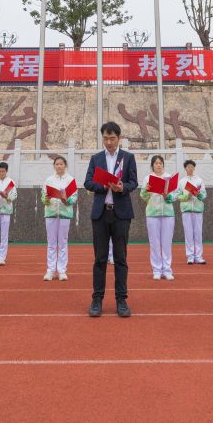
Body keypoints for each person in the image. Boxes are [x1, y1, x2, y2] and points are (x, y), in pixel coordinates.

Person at [83, 121, 138, 318]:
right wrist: (104, 185)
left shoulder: (128, 158)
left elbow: (133, 182)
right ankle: (97, 299)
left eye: (112, 138)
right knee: (100, 258)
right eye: (105, 138)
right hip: (100, 213)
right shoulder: (96, 158)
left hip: (121, 214)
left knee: (121, 258)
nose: (109, 142)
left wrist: (122, 187)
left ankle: (121, 299)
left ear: (119, 138)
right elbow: (87, 182)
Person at [140, 155, 177, 281]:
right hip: (152, 213)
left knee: (166, 243)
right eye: (156, 163)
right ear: (152, 166)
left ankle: (167, 270)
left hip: (168, 213)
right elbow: (143, 196)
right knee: (154, 243)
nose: (158, 165)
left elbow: (175, 195)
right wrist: (146, 190)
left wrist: (168, 196)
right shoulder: (148, 178)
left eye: (160, 163)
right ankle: (156, 270)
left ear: (163, 165)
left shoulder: (169, 177)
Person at [41, 156, 78, 281]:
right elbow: (43, 197)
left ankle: (62, 271)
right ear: (54, 166)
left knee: (63, 242)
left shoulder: (70, 180)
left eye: (61, 164)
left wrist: (66, 200)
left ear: (65, 165)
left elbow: (74, 197)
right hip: (50, 213)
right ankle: (50, 271)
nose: (59, 166)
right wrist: (46, 199)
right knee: (51, 243)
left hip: (65, 214)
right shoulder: (49, 180)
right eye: (57, 164)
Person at [177, 159, 206, 265]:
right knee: (188, 233)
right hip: (186, 210)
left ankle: (198, 256)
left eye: (192, 167)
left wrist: (198, 194)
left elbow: (204, 195)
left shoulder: (199, 180)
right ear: (185, 168)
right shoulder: (181, 181)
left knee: (198, 234)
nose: (190, 168)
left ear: (194, 168)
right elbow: (177, 195)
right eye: (188, 167)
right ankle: (190, 256)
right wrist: (187, 196)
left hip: (198, 210)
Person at [0, 162, 18, 266]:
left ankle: (2, 258)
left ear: (6, 171)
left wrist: (7, 196)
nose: (2, 173)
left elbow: (14, 196)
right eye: (0, 171)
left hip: (6, 211)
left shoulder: (11, 182)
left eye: (3, 171)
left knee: (4, 235)